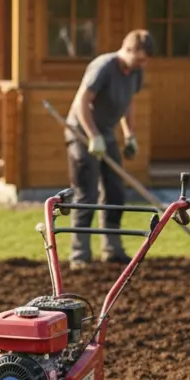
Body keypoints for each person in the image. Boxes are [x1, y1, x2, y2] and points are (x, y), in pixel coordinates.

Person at [64, 29, 154, 269]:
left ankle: (112, 249)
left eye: (145, 61)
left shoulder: (136, 71)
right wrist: (93, 137)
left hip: (107, 134)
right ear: (129, 49)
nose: (142, 64)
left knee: (115, 192)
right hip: (82, 133)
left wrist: (129, 135)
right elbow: (81, 102)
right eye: (140, 59)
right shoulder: (103, 67)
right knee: (87, 194)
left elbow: (128, 102)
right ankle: (80, 255)